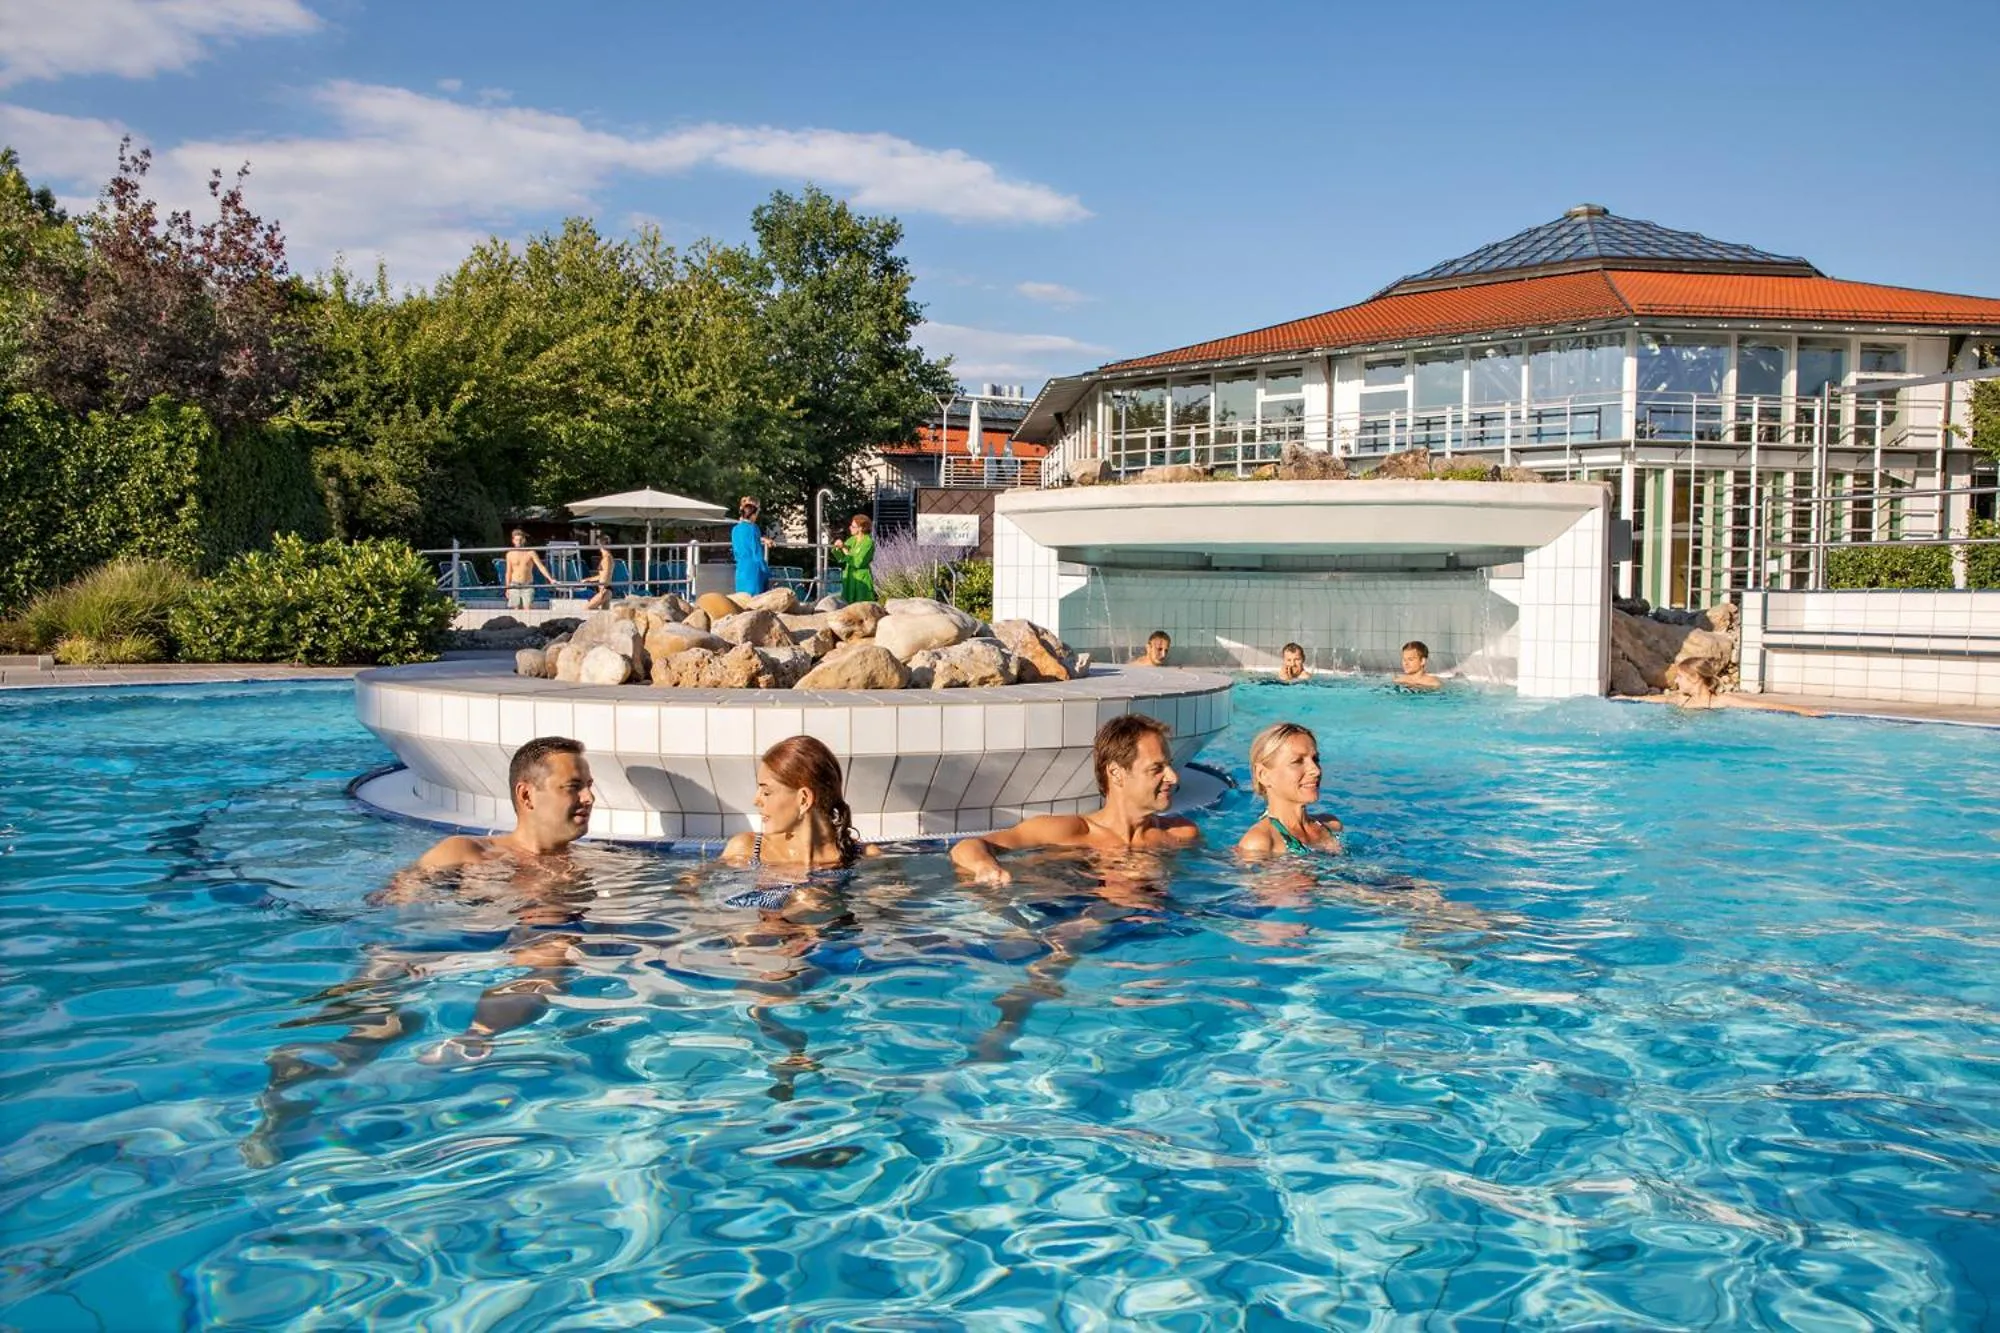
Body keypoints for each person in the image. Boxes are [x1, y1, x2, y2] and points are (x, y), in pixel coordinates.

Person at [949, 713, 1199, 885]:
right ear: (1116, 773)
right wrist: (985, 867)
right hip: (1073, 916)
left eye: (1170, 765)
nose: (1174, 777)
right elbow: (968, 847)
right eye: (1157, 769)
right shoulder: (1068, 831)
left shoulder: (1181, 833)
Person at [722, 735, 879, 874]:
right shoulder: (745, 849)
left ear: (803, 800)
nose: (756, 801)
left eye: (767, 793)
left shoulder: (865, 856)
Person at [1235, 722, 1343, 857]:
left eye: (1315, 759)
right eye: (1298, 761)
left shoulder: (1331, 826)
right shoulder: (1261, 843)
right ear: (1263, 774)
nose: (1315, 770)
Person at [1632, 658, 1824, 716]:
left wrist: (1802, 710)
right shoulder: (1681, 699)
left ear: (1695, 678)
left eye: (1681, 677)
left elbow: (1761, 705)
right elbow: (1657, 699)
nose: (1676, 682)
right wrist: (1630, 699)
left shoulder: (1720, 701)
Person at [503, 529, 556, 612]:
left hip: (527, 584)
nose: (519, 542)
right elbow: (508, 572)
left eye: (520, 540)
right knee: (515, 609)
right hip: (514, 584)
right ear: (513, 541)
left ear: (524, 540)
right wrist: (507, 588)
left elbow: (541, 567)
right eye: (517, 540)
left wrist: (550, 579)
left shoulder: (530, 553)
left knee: (527, 609)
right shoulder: (510, 554)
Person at [830, 513, 877, 605]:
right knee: (847, 605)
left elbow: (858, 562)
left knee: (862, 606)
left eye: (853, 526)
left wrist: (844, 548)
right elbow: (841, 558)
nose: (850, 528)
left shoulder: (868, 543)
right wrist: (837, 547)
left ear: (861, 528)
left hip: (861, 578)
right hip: (849, 577)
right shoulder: (852, 540)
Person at [732, 496, 773, 597]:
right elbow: (756, 552)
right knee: (756, 599)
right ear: (753, 514)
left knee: (742, 599)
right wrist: (765, 570)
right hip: (753, 568)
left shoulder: (735, 529)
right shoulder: (753, 528)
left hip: (740, 567)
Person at [585, 532, 615, 610]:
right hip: (606, 589)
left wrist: (602, 591)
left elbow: (605, 576)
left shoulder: (607, 558)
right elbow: (602, 575)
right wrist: (589, 579)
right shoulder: (607, 557)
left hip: (605, 589)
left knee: (587, 608)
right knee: (604, 614)